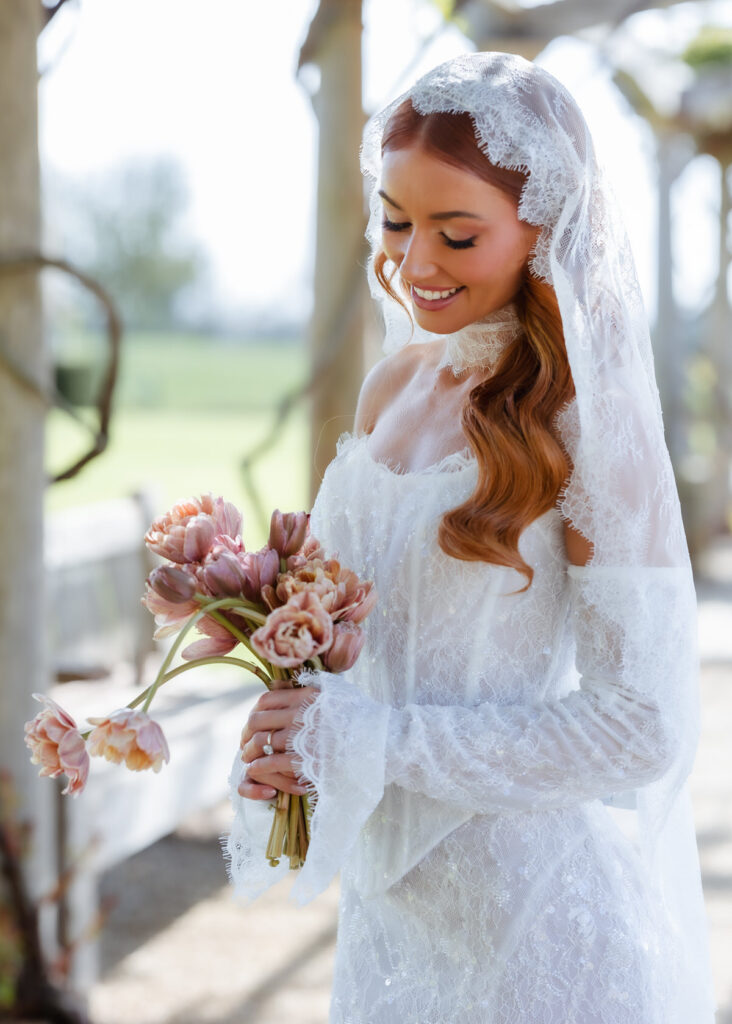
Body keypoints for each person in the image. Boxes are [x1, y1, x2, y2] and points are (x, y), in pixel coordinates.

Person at [229, 52, 715, 1022]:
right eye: (396, 221)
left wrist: (380, 739)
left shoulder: (589, 425)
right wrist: (294, 721)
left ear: (548, 227)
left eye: (456, 232)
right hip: (392, 922)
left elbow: (644, 724)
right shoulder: (391, 386)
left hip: (542, 938)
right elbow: (349, 641)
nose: (413, 263)